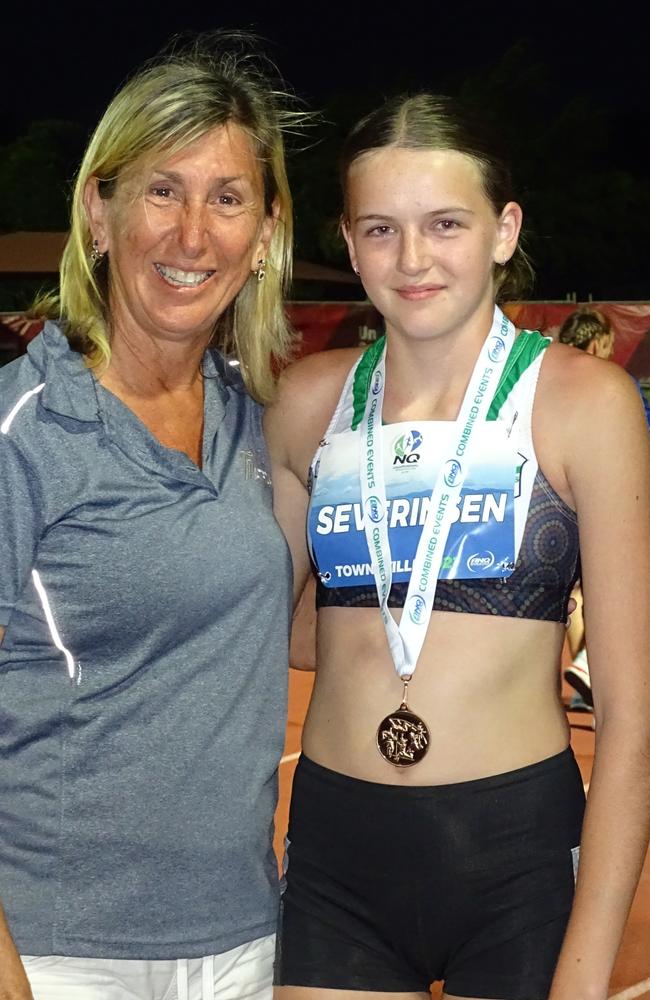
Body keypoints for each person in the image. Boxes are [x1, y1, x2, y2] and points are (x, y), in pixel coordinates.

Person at [267, 94, 650, 1000]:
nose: (412, 258)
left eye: (445, 224)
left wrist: (586, 977)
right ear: (351, 244)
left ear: (503, 230)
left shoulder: (583, 403)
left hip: (516, 856)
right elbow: (276, 632)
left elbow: (633, 715)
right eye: (380, 229)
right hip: (337, 854)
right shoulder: (307, 404)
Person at [0, 33, 300, 1000]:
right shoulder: (21, 430)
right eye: (162, 191)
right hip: (62, 954)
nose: (192, 236)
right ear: (100, 211)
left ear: (263, 236)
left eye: (226, 199)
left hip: (247, 938)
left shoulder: (258, 420)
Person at [558, 308, 649, 710]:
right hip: (603, 503)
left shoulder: (543, 379)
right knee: (615, 591)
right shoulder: (611, 385)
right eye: (609, 345)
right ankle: (593, 671)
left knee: (574, 595)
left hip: (550, 508)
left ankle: (588, 677)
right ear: (597, 342)